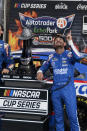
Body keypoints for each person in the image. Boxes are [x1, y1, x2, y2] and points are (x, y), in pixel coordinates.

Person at [37, 31, 84, 131]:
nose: (58, 40)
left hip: (68, 90)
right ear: (53, 45)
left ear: (64, 44)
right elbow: (43, 67)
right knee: (58, 119)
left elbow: (78, 57)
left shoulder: (69, 55)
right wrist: (40, 71)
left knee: (72, 117)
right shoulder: (51, 57)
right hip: (55, 91)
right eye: (56, 40)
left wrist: (70, 41)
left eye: (60, 40)